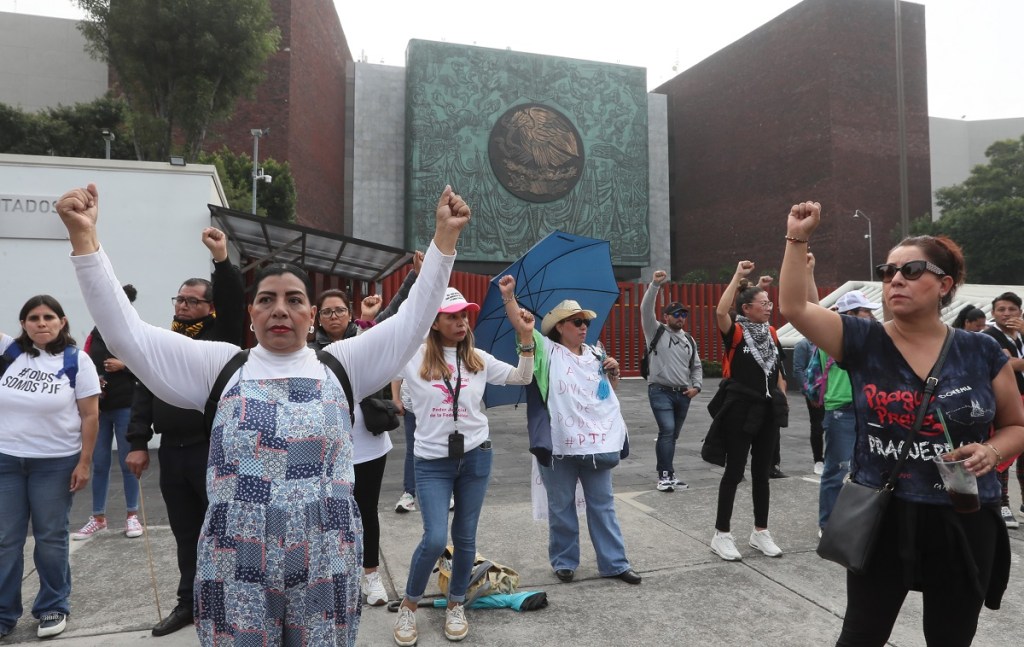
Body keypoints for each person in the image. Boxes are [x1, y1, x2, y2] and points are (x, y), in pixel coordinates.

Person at [56, 182, 470, 647]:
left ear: (311, 314)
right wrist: (85, 241)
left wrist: (444, 241)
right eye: (267, 299)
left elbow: (414, 319)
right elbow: (127, 334)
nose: (280, 309)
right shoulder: (220, 366)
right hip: (236, 566)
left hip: (326, 561)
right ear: (251, 312)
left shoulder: (343, 364)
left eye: (294, 300)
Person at [779, 202, 1024, 647]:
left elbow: (1016, 426)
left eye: (912, 270)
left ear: (944, 284)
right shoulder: (862, 340)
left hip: (964, 514)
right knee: (861, 636)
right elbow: (795, 306)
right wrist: (798, 237)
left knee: (951, 637)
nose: (895, 279)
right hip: (885, 513)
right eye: (888, 270)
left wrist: (992, 451)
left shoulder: (981, 351)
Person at [391, 283, 535, 646]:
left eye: (463, 316)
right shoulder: (414, 356)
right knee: (436, 536)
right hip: (431, 462)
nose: (460, 322)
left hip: (475, 456)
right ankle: (409, 605)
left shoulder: (478, 359)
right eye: (451, 317)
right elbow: (380, 350)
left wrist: (527, 340)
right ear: (435, 322)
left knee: (465, 536)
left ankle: (457, 604)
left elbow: (522, 377)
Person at [124, 227, 245, 637]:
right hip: (171, 454)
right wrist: (138, 442)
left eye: (194, 301)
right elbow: (144, 391)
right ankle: (188, 602)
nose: (185, 306)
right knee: (185, 532)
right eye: (180, 299)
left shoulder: (222, 337)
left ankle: (229, 601)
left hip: (212, 450)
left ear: (210, 307)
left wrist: (222, 259)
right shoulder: (164, 341)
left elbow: (233, 302)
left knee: (223, 531)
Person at [311, 251, 422, 608]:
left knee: (365, 511)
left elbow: (394, 316)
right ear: (316, 316)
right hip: (324, 450)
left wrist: (414, 278)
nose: (333, 316)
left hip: (368, 446)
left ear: (350, 313)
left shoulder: (365, 340)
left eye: (339, 310)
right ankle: (336, 579)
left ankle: (371, 576)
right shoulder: (306, 351)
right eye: (326, 311)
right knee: (328, 516)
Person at [523, 289, 641, 587]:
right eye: (575, 321)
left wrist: (612, 375)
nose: (583, 326)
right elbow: (523, 332)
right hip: (559, 442)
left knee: (603, 505)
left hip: (595, 443)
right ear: (559, 327)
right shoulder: (546, 353)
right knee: (561, 506)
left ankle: (614, 563)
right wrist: (510, 299)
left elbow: (604, 395)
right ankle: (564, 561)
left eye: (584, 320)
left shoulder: (596, 353)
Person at [0, 295, 101, 639]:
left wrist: (84, 463)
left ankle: (53, 606)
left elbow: (90, 416)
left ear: (62, 321)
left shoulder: (77, 360)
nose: (40, 323)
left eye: (48, 317)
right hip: (6, 461)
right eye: (32, 318)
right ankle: (3, 613)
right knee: (5, 540)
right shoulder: (8, 352)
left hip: (55, 464)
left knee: (50, 538)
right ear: (23, 324)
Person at [707, 262, 788, 561]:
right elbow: (719, 312)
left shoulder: (772, 333)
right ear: (747, 307)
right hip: (740, 409)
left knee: (762, 474)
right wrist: (736, 275)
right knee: (734, 472)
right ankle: (722, 534)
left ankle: (760, 532)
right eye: (764, 303)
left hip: (767, 410)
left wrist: (781, 394)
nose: (769, 307)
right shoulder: (736, 330)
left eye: (770, 303)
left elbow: (777, 367)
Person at [71, 284, 144, 541]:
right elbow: (84, 363)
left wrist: (124, 366)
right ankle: (98, 517)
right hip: (99, 408)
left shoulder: (134, 330)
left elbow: (147, 366)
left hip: (126, 406)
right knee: (99, 463)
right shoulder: (95, 333)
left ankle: (132, 515)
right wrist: (97, 380)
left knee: (128, 463)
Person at [816, 290, 880, 537]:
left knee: (864, 469)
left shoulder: (867, 336)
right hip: (842, 409)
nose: (871, 317)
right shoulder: (834, 336)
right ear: (851, 314)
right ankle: (828, 524)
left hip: (866, 408)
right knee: (837, 469)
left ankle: (856, 520)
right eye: (866, 312)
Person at [641, 269, 702, 491]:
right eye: (676, 314)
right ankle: (664, 476)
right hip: (660, 390)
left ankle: (669, 473)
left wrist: (697, 387)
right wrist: (655, 285)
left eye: (683, 314)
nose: (680, 318)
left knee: (671, 435)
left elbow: (696, 365)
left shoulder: (689, 340)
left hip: (683, 394)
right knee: (667, 430)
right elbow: (645, 309)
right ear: (666, 317)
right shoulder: (655, 331)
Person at [981, 292, 1024, 529]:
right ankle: (1002, 503)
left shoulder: (1019, 336)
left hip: (1021, 397)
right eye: (1001, 309)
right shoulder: (991, 337)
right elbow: (1007, 365)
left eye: (1011, 309)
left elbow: (1015, 364)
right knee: (1004, 454)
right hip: (1003, 402)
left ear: (1020, 312)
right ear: (993, 313)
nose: (1006, 313)